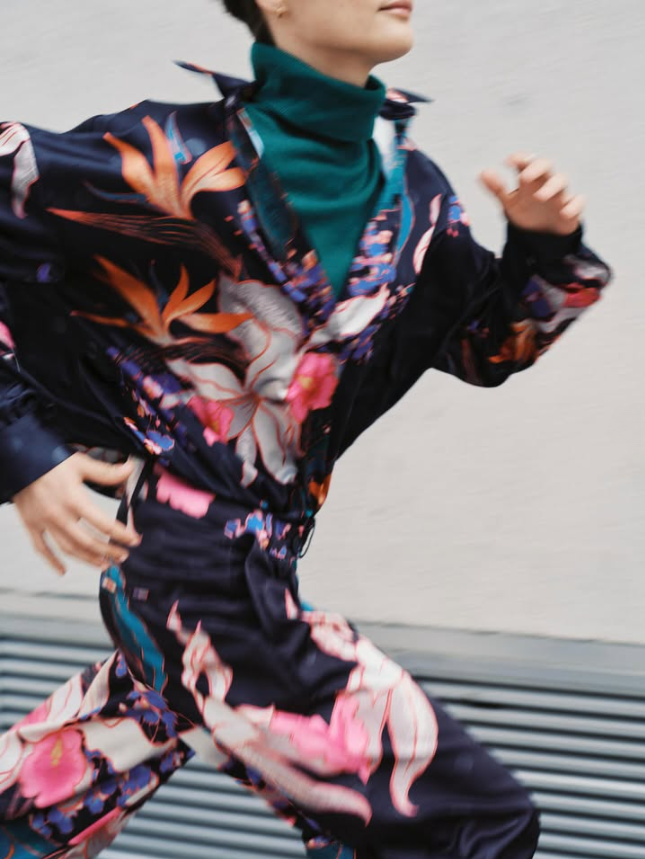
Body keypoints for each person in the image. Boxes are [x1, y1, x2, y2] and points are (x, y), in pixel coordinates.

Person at [0, 1, 612, 858]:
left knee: (42, 800)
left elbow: (485, 346)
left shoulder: (415, 195)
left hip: (257, 565)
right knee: (467, 828)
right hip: (193, 572)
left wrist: (545, 248)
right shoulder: (161, 156)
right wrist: (23, 449)